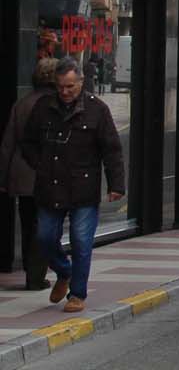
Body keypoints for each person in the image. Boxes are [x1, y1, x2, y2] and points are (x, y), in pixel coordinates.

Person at [22, 57, 124, 313]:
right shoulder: (44, 107)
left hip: (83, 187)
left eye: (70, 87)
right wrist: (41, 165)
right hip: (50, 184)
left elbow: (111, 150)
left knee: (81, 240)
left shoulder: (97, 109)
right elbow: (28, 142)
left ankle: (77, 294)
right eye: (60, 87)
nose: (65, 92)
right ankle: (64, 271)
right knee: (44, 237)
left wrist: (116, 184)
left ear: (81, 82)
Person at [0, 58, 59, 290]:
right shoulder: (55, 104)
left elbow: (7, 144)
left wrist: (4, 178)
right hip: (44, 174)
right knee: (43, 225)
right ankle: (35, 276)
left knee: (28, 223)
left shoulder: (22, 103)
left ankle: (30, 269)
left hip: (21, 174)